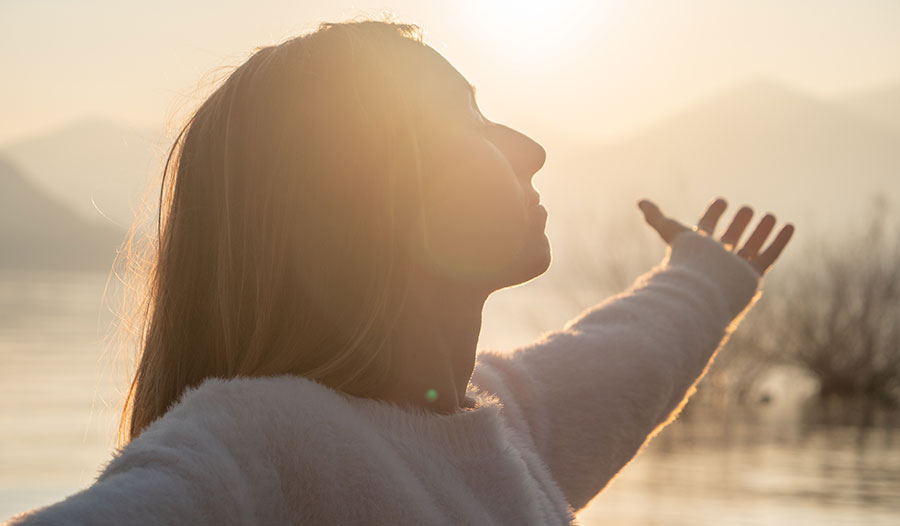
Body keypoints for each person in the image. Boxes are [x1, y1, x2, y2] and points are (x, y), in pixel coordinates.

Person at [7, 17, 794, 526]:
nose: (530, 147)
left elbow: (619, 361)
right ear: (364, 192)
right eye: (470, 119)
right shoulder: (260, 443)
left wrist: (702, 280)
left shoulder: (501, 428)